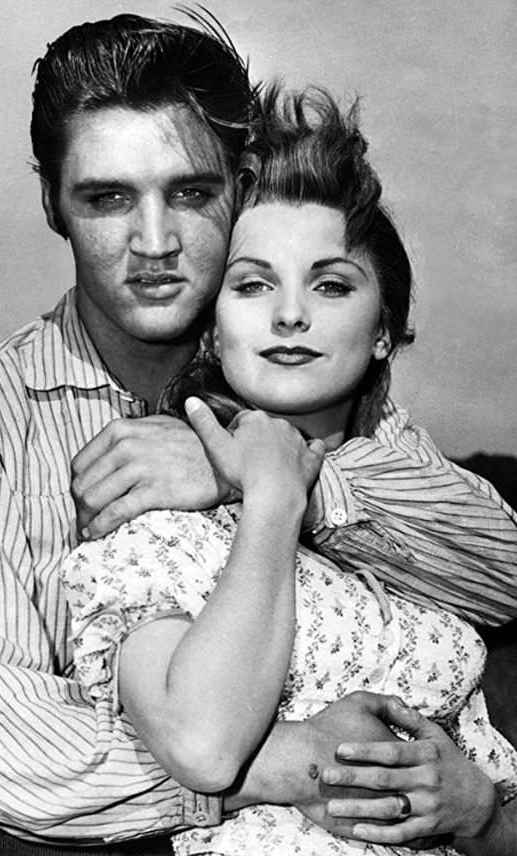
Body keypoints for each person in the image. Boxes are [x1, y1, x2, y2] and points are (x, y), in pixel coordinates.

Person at [0, 11, 516, 855]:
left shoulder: (308, 388)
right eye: (107, 198)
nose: (155, 243)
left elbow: (500, 574)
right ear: (51, 204)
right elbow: (10, 758)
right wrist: (297, 764)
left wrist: (267, 476)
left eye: (191, 193)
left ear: (242, 184)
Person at [60, 86, 517, 856]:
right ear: (213, 328)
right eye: (253, 284)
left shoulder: (426, 524)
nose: (291, 315)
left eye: (332, 285)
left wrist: (483, 814)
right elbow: (203, 747)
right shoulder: (157, 529)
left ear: (382, 331)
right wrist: (272, 494)